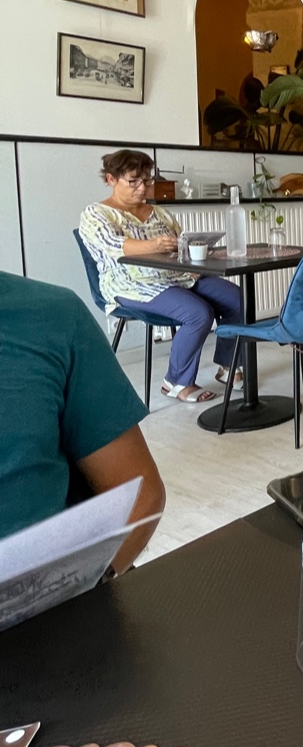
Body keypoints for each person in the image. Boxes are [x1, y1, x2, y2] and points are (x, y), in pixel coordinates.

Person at [0, 270, 165, 571]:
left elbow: (142, 490)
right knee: (196, 313)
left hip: (51, 592)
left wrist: (87, 583)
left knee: (206, 309)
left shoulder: (52, 317)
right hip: (135, 289)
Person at [78, 148, 244, 405]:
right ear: (111, 179)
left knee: (236, 297)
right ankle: (176, 382)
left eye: (146, 181)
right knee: (197, 313)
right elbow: (113, 245)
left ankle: (228, 365)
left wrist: (193, 251)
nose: (142, 188)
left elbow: (179, 244)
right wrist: (154, 245)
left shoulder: (159, 213)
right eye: (133, 181)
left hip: (178, 276)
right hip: (131, 284)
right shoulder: (96, 214)